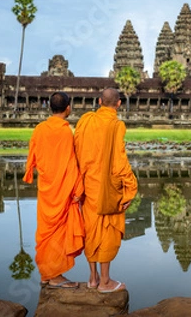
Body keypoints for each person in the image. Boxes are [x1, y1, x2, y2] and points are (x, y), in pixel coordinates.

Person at [74, 88, 138, 293]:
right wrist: (131, 187)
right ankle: (105, 281)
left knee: (91, 229)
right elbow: (119, 161)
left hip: (87, 184)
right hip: (108, 187)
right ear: (118, 104)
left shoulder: (85, 120)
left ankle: (92, 278)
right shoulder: (116, 125)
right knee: (107, 231)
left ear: (100, 101)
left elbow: (76, 150)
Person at [23, 91, 84, 289]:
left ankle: (46, 274)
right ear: (68, 108)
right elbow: (70, 163)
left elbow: (33, 156)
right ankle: (54, 275)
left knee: (45, 231)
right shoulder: (65, 131)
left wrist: (31, 173)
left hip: (47, 187)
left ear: (50, 107)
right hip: (62, 189)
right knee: (58, 231)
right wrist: (78, 189)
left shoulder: (40, 129)